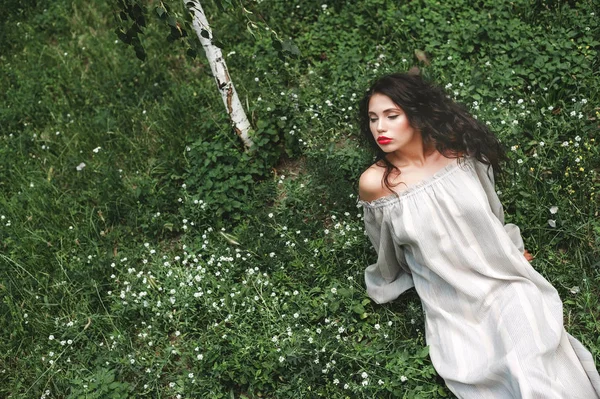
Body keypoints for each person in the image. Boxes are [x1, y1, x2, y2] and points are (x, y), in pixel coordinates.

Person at [357, 72, 600, 398]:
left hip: (502, 279)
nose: (380, 128)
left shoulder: (457, 153)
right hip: (453, 300)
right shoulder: (376, 183)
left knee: (533, 358)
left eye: (391, 116)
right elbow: (385, 250)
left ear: (415, 113)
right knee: (491, 366)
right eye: (373, 119)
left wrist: (507, 246)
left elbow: (490, 210)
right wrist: (387, 280)